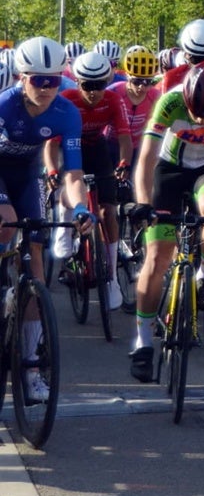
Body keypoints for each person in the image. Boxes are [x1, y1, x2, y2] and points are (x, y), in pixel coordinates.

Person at [127, 62, 204, 382]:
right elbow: (147, 157)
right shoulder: (170, 101)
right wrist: (142, 203)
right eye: (196, 113)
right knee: (157, 256)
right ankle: (143, 341)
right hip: (169, 171)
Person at [2, 38, 97, 402]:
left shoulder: (66, 113)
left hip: (27, 177)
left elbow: (73, 174)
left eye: (53, 81)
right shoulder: (4, 106)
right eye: (38, 80)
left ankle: (30, 366)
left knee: (36, 254)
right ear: (20, 77)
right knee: (5, 224)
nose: (46, 89)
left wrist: (79, 209)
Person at [59, 51, 132, 311]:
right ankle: (65, 226)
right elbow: (50, 144)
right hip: (69, 146)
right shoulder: (66, 98)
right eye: (87, 86)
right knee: (67, 183)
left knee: (108, 211)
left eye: (99, 85)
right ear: (77, 82)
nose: (93, 92)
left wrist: (124, 163)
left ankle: (111, 277)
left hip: (97, 148)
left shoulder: (112, 99)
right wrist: (51, 170)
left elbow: (124, 137)